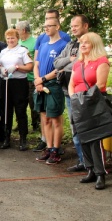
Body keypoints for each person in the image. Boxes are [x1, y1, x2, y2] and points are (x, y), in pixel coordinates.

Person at [69, 32, 109, 190]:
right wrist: (74, 98)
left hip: (94, 103)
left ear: (95, 44)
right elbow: (71, 83)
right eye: (81, 42)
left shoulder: (101, 61)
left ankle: (101, 173)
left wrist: (84, 99)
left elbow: (100, 84)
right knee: (82, 136)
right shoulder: (78, 63)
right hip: (78, 104)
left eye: (87, 42)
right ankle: (90, 169)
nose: (82, 45)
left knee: (95, 138)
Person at [54, 15, 89, 172]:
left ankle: (93, 163)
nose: (73, 28)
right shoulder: (71, 44)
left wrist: (67, 65)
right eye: (72, 26)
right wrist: (70, 59)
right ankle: (82, 161)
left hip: (85, 93)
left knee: (87, 128)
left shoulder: (91, 42)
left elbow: (81, 64)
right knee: (75, 127)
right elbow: (57, 62)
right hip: (68, 91)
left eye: (76, 25)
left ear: (86, 26)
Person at [32, 9, 70, 152]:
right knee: (45, 118)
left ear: (57, 27)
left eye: (49, 25)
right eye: (45, 26)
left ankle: (56, 149)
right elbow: (37, 63)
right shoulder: (43, 44)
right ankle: (48, 148)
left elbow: (61, 68)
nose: (46, 29)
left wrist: (43, 79)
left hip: (54, 85)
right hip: (40, 84)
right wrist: (38, 80)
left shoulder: (63, 44)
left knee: (55, 119)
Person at [0, 29, 33, 151]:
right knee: (6, 110)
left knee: (20, 110)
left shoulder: (23, 50)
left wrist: (17, 67)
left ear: (17, 38)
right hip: (5, 81)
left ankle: (23, 139)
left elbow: (29, 66)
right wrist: (1, 69)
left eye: (12, 38)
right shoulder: (3, 51)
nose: (10, 40)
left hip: (19, 83)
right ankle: (6, 137)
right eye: (8, 38)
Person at [17, 21, 39, 132]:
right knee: (20, 102)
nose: (16, 31)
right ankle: (19, 123)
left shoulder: (34, 42)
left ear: (23, 30)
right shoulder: (18, 41)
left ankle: (36, 124)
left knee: (32, 102)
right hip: (20, 78)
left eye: (17, 29)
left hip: (31, 77)